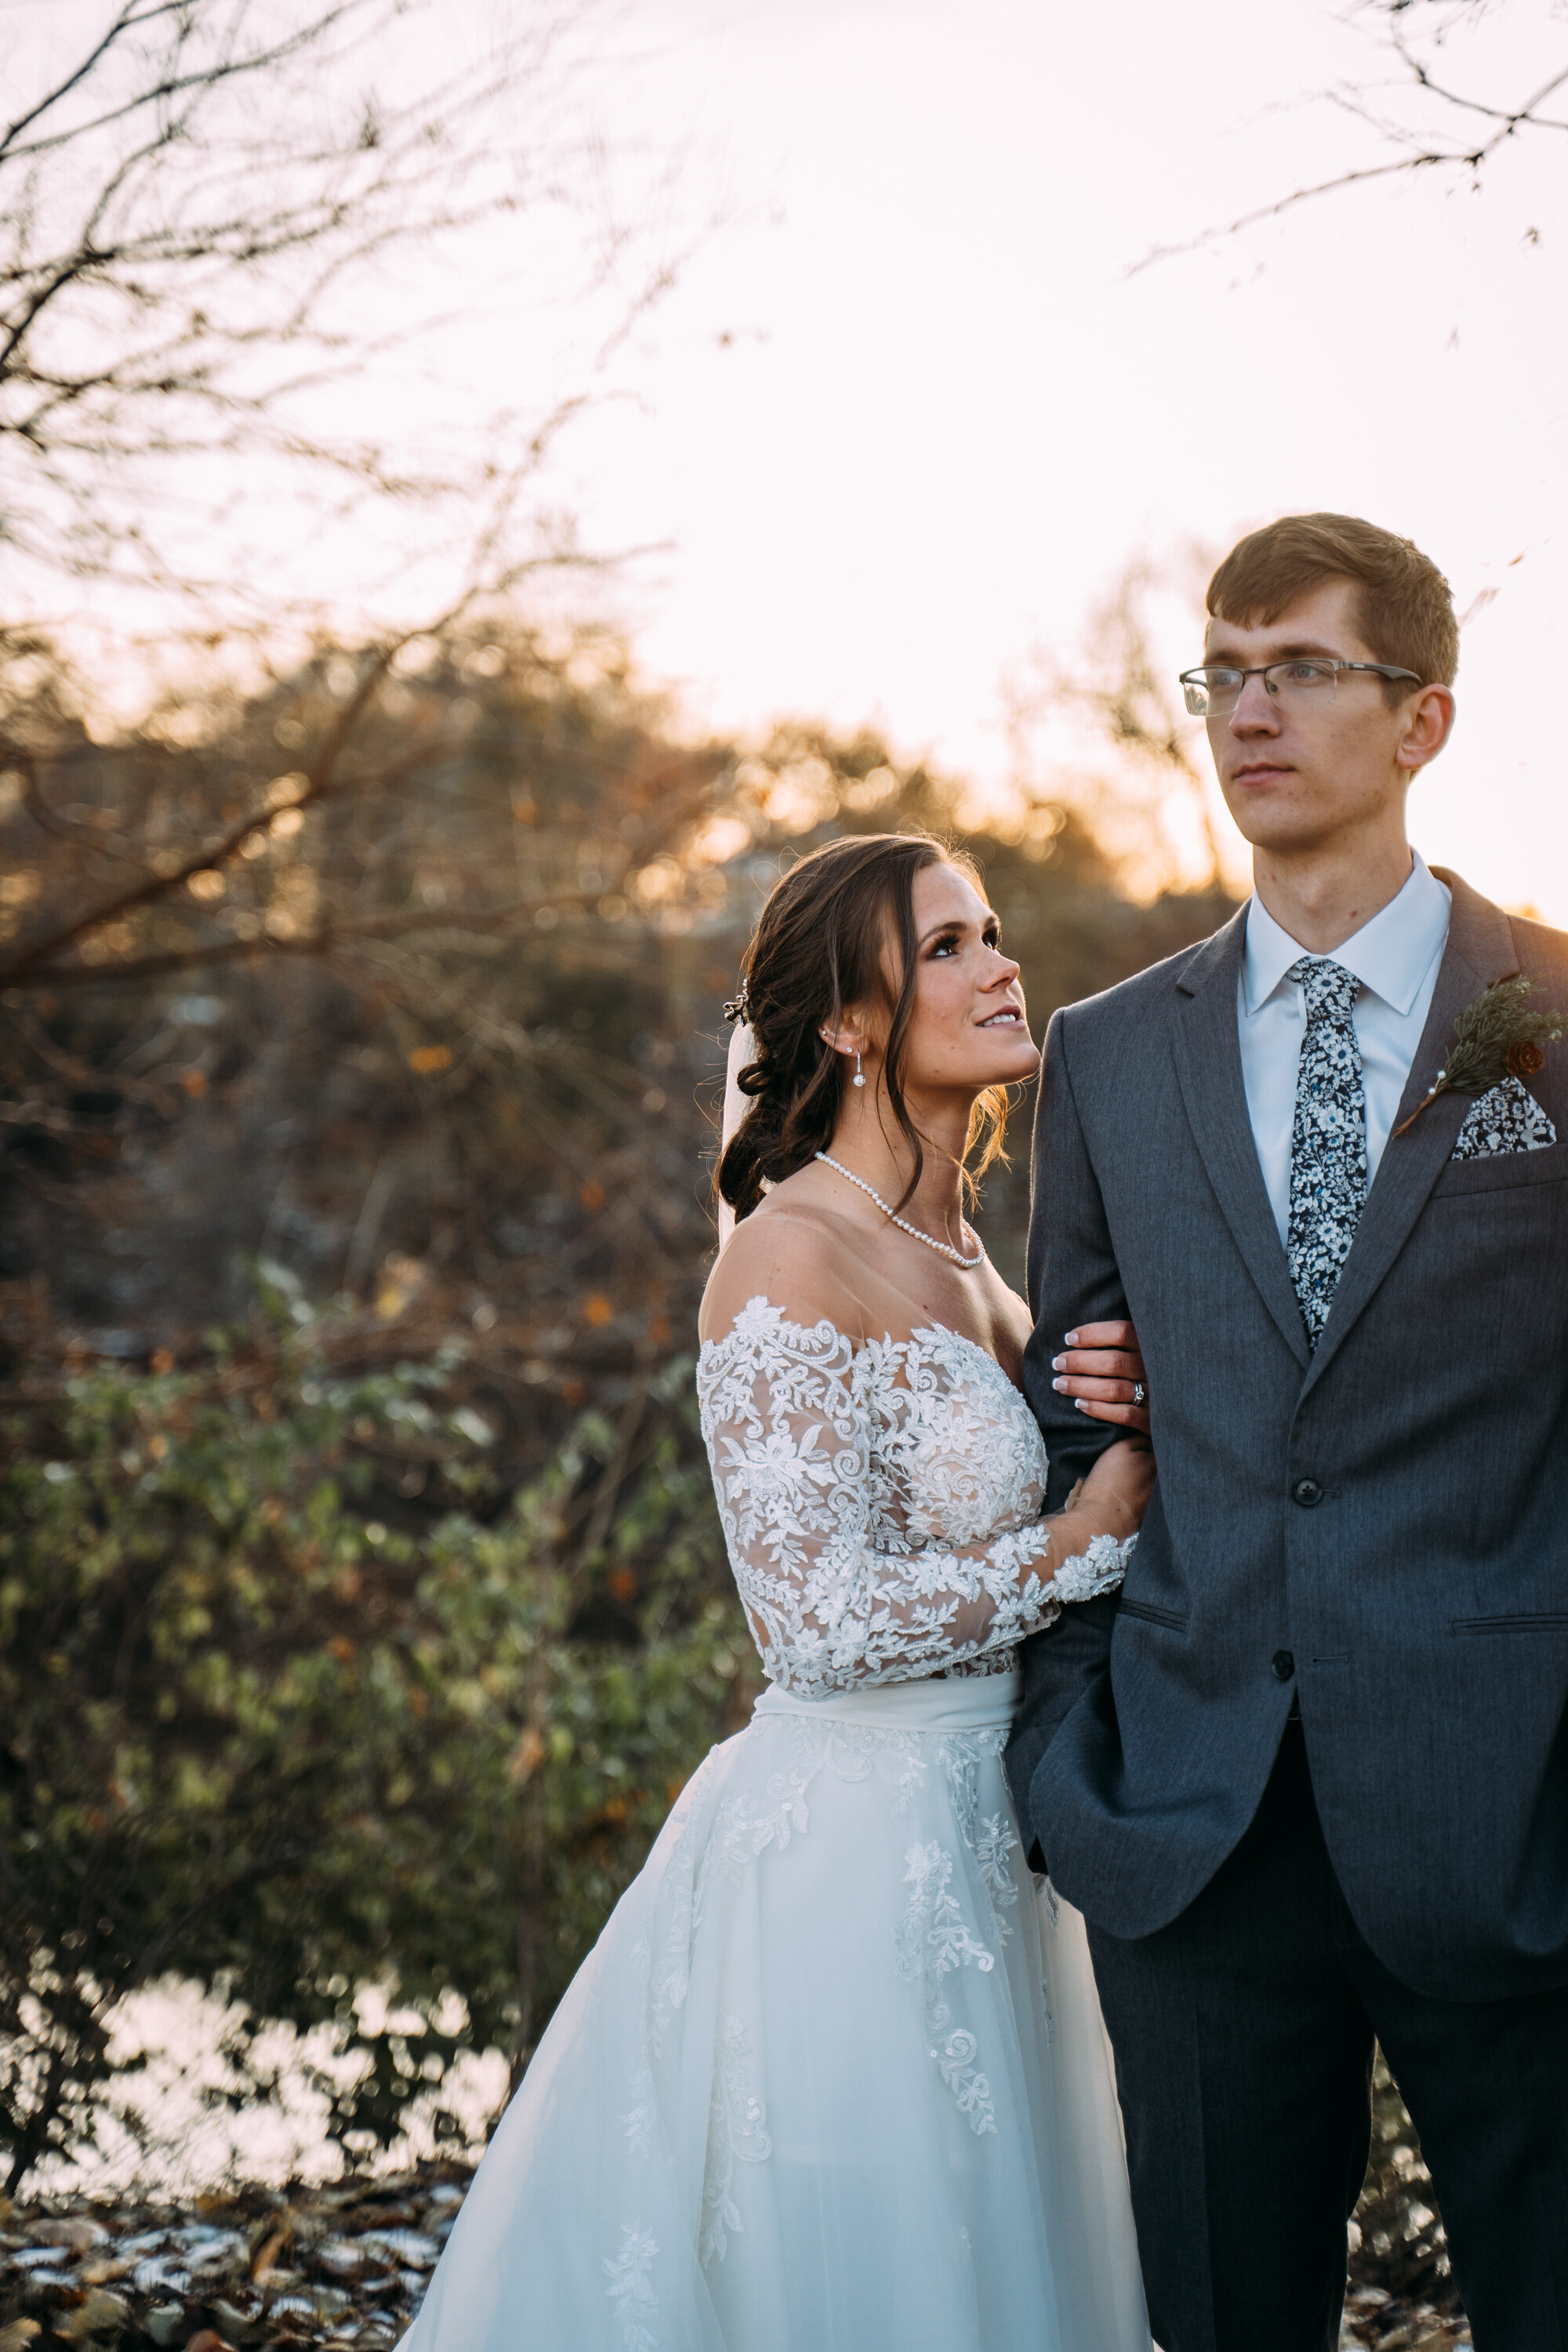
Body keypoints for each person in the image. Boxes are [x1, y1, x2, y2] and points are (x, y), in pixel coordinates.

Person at [399, 831, 1156, 2352]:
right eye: (945, 946)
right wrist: (1079, 1541)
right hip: (853, 1870)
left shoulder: (966, 1259)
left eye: (991, 932)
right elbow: (809, 1625)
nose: (1001, 964)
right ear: (844, 1019)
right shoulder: (786, 1259)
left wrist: (1113, 1402)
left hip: (998, 1845)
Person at [1007, 511, 1568, 2352]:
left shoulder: (1556, 1017)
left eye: (1301, 669)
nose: (1249, 710)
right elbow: (1059, 1422)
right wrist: (1066, 1754)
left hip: (1517, 1813)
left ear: (1422, 722)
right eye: (1222, 674)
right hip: (1191, 1826)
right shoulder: (1106, 1052)